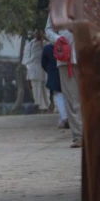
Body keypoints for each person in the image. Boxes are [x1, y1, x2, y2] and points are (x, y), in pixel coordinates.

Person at [45, 15, 83, 148]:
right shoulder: (58, 6)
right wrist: (58, 39)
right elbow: (48, 30)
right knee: (71, 100)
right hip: (65, 59)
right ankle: (79, 136)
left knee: (90, 99)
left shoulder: (89, 1)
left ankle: (93, 135)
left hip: (88, 57)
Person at [40, 42, 68, 129]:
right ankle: (64, 119)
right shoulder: (67, 45)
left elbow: (43, 63)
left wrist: (49, 70)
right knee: (68, 97)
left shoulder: (48, 48)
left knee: (58, 96)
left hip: (54, 74)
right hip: (68, 73)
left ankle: (64, 118)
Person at [23, 29, 50, 112]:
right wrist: (29, 71)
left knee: (45, 89)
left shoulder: (46, 43)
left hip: (44, 69)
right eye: (36, 32)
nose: (38, 34)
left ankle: (46, 106)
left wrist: (43, 41)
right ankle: (39, 106)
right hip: (34, 69)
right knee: (36, 89)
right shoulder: (30, 44)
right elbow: (26, 58)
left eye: (40, 32)